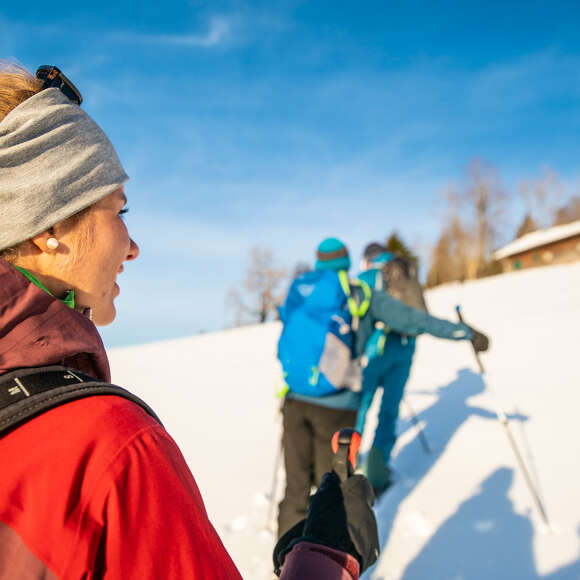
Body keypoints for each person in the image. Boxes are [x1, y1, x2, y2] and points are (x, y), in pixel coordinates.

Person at [0, 63, 376, 580]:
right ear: (51, 227)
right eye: (120, 212)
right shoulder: (112, 449)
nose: (133, 248)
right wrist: (328, 557)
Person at [277, 237, 489, 536]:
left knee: (296, 487)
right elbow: (415, 319)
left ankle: (285, 558)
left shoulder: (303, 291)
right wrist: (463, 331)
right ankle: (371, 478)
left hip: (295, 400)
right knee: (332, 492)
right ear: (346, 262)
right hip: (339, 406)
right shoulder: (360, 292)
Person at [355, 242, 425, 492]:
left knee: (360, 408)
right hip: (405, 349)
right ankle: (377, 471)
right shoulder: (405, 272)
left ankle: (348, 465)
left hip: (375, 351)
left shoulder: (367, 276)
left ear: (367, 260)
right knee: (389, 411)